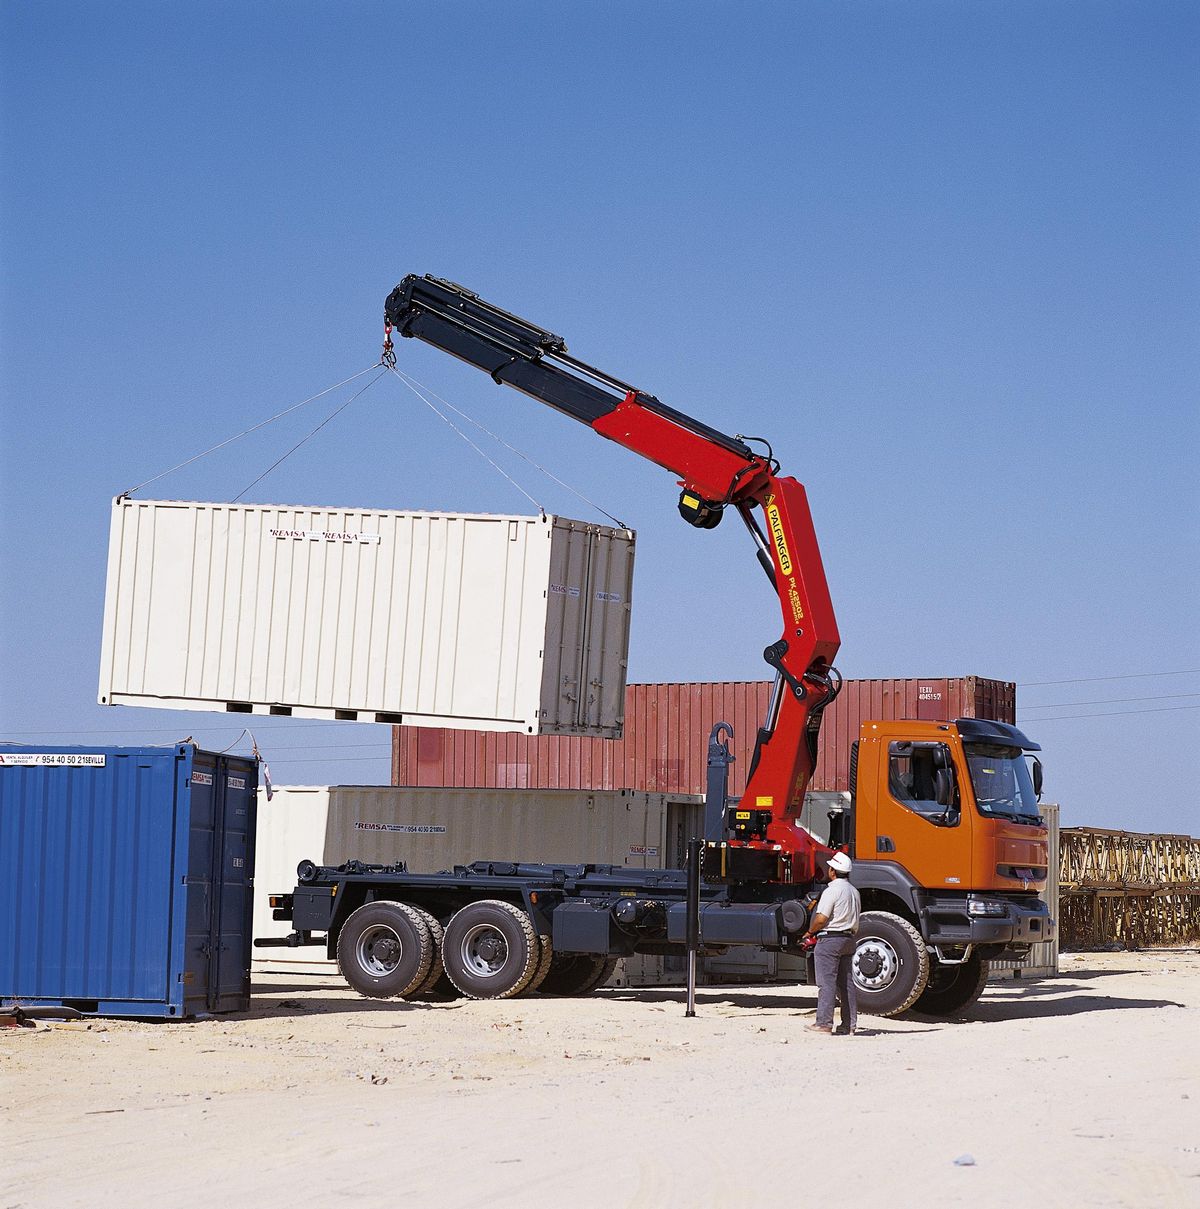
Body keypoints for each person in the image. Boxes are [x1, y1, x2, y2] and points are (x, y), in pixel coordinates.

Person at [804, 851, 861, 1036]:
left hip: (830, 940)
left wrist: (810, 932)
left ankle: (823, 1023)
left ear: (832, 871)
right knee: (847, 984)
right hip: (848, 939)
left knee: (826, 983)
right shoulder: (854, 892)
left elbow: (821, 918)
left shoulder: (832, 891)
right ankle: (849, 1025)